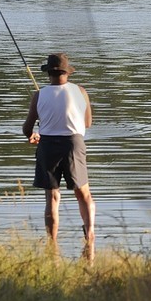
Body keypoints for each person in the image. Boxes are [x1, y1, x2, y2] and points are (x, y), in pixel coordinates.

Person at [23, 52, 95, 261]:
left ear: (49, 73)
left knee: (52, 197)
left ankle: (52, 245)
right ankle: (89, 236)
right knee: (84, 194)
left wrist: (33, 135)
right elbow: (88, 123)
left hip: (47, 146)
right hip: (74, 144)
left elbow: (27, 128)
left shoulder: (39, 95)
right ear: (66, 72)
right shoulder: (81, 91)